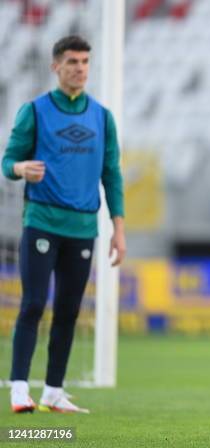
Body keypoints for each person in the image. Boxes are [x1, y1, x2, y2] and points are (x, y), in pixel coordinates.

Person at [1, 35, 126, 413]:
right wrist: (21, 168)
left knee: (70, 309)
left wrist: (118, 229)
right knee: (34, 303)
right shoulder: (35, 111)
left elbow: (112, 175)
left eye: (85, 62)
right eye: (72, 62)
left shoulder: (102, 117)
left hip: (83, 228)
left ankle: (54, 390)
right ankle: (19, 388)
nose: (80, 69)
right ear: (56, 66)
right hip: (41, 222)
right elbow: (8, 162)